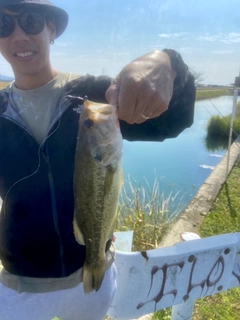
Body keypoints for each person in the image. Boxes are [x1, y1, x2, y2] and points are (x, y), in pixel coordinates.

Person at [0, 0, 196, 319]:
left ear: (51, 29)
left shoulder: (96, 97)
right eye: (4, 25)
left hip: (93, 272)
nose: (18, 35)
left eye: (31, 20)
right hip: (19, 282)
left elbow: (174, 121)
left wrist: (170, 63)